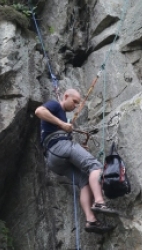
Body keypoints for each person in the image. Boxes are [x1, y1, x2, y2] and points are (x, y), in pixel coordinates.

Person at [35, 89, 117, 234]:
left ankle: (91, 220)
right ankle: (99, 202)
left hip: (53, 158)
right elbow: (39, 111)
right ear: (66, 96)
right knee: (94, 166)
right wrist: (63, 124)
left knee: (84, 181)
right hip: (60, 148)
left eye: (77, 104)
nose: (75, 106)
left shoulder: (60, 115)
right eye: (74, 102)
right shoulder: (55, 106)